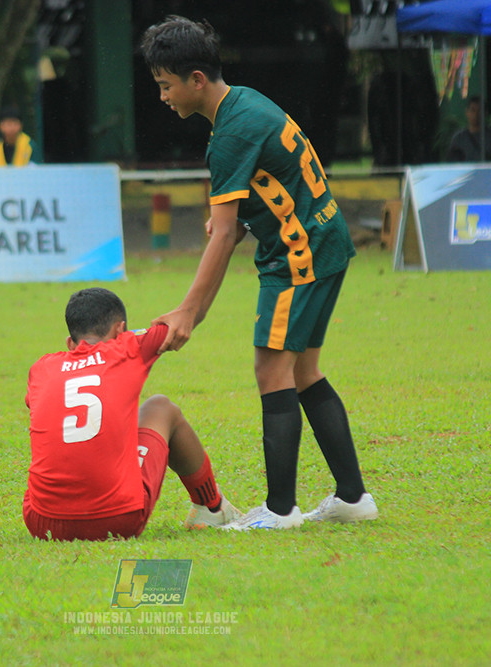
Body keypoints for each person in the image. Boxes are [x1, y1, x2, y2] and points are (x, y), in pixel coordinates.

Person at [139, 16, 377, 530]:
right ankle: (353, 498)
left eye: (166, 85)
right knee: (304, 371)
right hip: (326, 242)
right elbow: (269, 186)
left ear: (196, 79)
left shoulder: (228, 135)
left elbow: (224, 235)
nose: (162, 97)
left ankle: (280, 511)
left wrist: (189, 312)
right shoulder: (245, 101)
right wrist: (240, 220)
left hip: (297, 257)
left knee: (272, 371)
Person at [23, 287, 241, 541]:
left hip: (42, 523)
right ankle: (212, 508)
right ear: (120, 330)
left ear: (70, 343)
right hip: (117, 520)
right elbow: (187, 320)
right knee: (160, 407)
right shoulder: (127, 348)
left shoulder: (42, 368)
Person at [446, 96, 491, 162]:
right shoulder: (459, 138)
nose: (476, 114)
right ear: (467, 112)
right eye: (473, 110)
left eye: (480, 111)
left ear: (485, 113)